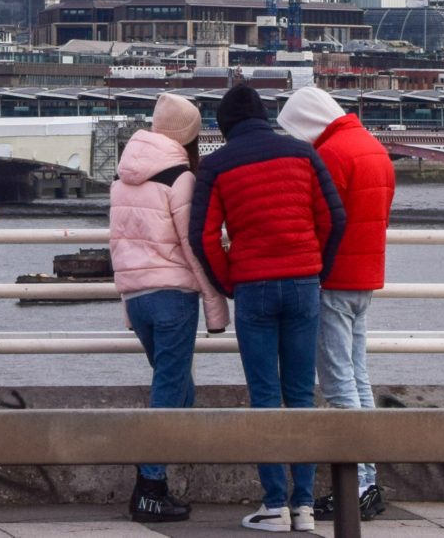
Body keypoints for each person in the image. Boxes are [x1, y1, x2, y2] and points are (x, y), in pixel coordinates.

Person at [190, 81, 344, 532]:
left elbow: (203, 236)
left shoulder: (216, 166)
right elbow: (334, 217)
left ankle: (273, 506)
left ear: (224, 126)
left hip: (253, 287)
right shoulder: (302, 154)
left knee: (264, 396)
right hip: (303, 284)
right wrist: (317, 270)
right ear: (264, 115)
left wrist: (229, 282)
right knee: (300, 395)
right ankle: (305, 508)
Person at [109, 91, 230, 523]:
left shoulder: (123, 178)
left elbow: (118, 244)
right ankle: (149, 486)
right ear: (189, 135)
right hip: (173, 296)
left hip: (138, 297)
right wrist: (216, 309)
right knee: (169, 390)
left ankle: (154, 477)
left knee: (179, 388)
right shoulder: (180, 178)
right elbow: (195, 247)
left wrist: (126, 300)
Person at [277, 85, 395, 523]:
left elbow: (315, 216)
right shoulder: (372, 147)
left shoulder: (331, 155)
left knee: (337, 383)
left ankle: (359, 485)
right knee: (359, 377)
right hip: (365, 279)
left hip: (333, 279)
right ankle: (369, 480)